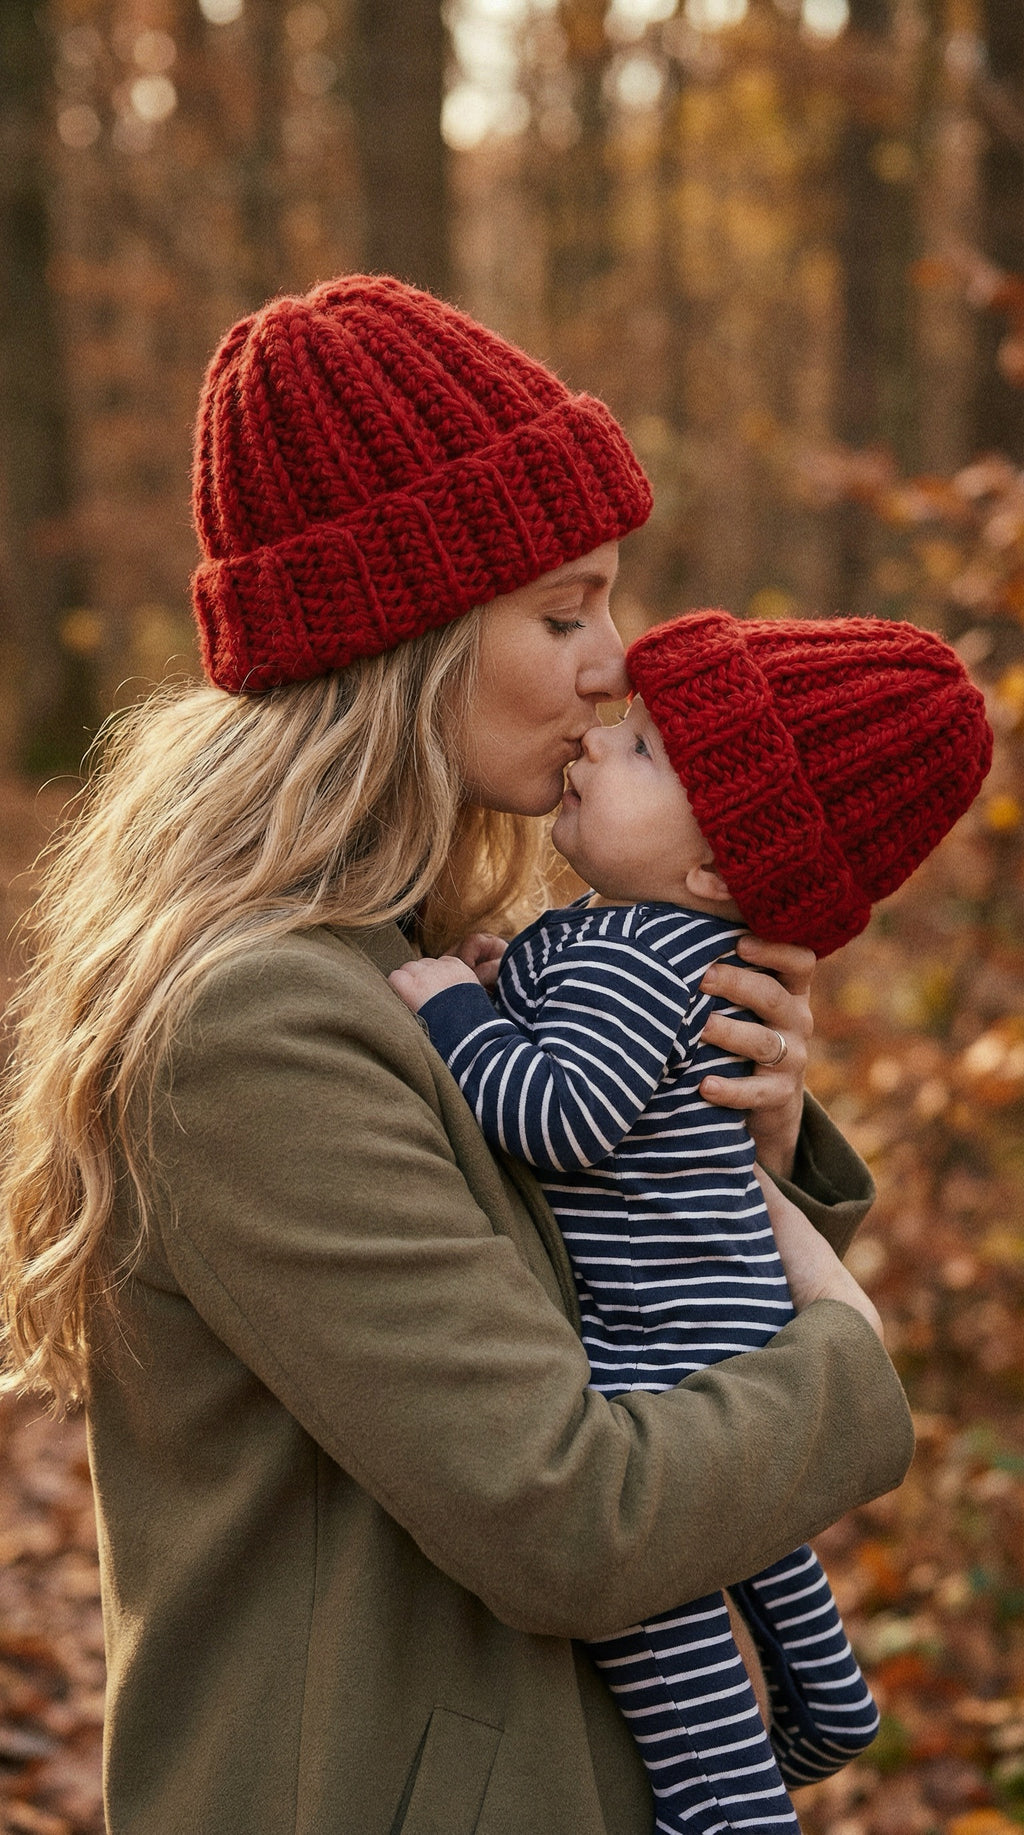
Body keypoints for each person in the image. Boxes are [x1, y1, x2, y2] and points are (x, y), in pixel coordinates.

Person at [0, 276, 916, 1835]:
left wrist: (729, 1151)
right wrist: (848, 1363)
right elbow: (571, 1510)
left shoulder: (414, 957)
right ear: (400, 641)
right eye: (564, 610)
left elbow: (568, 1318)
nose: (610, 662)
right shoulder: (258, 1023)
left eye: (609, 601)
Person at [390, 608, 992, 1835]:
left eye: (649, 752)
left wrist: (453, 1006)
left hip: (650, 1357)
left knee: (676, 1654)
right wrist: (516, 982)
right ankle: (827, 1700)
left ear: (720, 870)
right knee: (763, 1558)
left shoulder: (630, 950)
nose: (604, 739)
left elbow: (556, 1115)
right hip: (725, 1321)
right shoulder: (660, 947)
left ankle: (729, 1806)